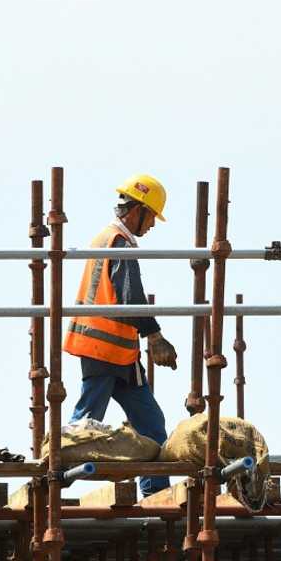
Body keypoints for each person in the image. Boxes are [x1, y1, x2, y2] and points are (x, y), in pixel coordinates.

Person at [63, 174, 178, 496]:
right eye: (152, 216)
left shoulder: (108, 238)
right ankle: (51, 479)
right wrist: (155, 336)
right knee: (85, 424)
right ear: (137, 210)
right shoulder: (118, 241)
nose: (153, 225)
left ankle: (156, 494)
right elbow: (130, 297)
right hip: (102, 348)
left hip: (122, 353)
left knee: (152, 424)